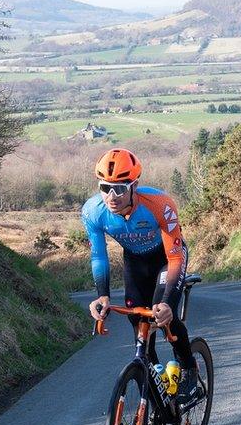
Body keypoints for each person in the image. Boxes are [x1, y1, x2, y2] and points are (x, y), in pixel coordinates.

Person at [82, 148, 197, 398]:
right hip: (134, 261)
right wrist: (102, 296)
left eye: (120, 189)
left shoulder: (159, 204)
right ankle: (154, 371)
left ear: (134, 186)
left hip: (167, 258)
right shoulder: (93, 211)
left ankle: (189, 367)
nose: (111, 197)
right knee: (137, 319)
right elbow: (99, 256)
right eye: (105, 188)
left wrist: (167, 302)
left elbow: (175, 256)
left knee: (162, 313)